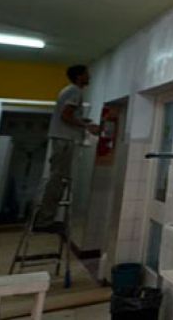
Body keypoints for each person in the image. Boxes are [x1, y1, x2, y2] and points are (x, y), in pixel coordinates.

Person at [34, 64, 100, 230]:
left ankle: (43, 218)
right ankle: (44, 221)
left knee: (58, 177)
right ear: (79, 76)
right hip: (64, 139)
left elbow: (67, 115)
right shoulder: (74, 91)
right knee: (58, 179)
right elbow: (65, 116)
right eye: (87, 74)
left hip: (62, 138)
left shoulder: (68, 91)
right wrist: (86, 127)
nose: (89, 77)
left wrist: (83, 122)